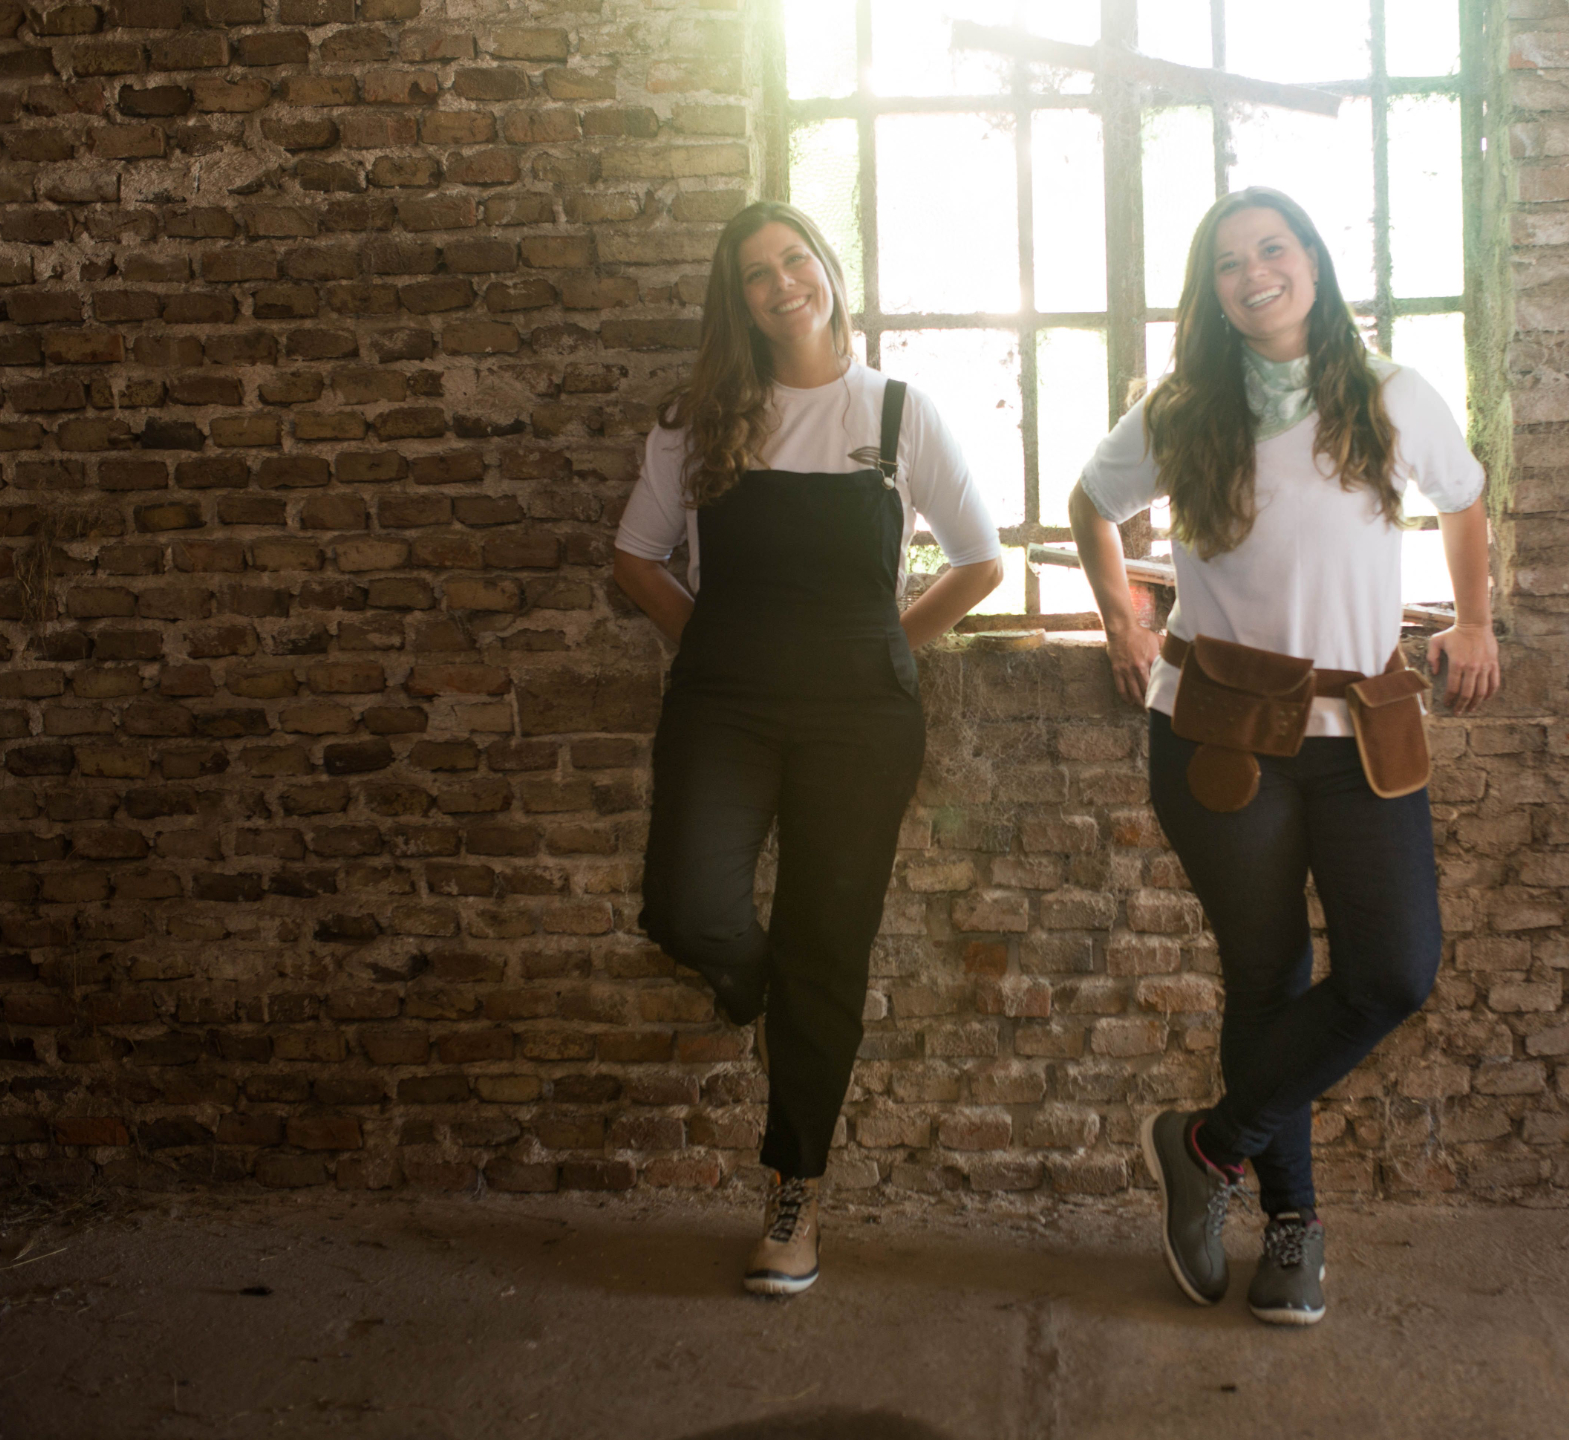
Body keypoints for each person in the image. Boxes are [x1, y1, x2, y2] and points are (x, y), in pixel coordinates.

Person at [1068, 188, 1500, 1326]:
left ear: (1311, 258)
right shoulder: (1183, 411)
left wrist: (1475, 622)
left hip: (1360, 731)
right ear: (1211, 293)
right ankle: (1292, 1225)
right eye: (1229, 263)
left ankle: (1205, 1147)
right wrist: (1121, 621)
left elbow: (1464, 500)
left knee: (1393, 971)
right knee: (1267, 979)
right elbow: (1092, 500)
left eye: (1272, 248)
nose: (1254, 272)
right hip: (1219, 733)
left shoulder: (1389, 394)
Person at [612, 201, 1002, 1296]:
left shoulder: (896, 412)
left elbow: (979, 563)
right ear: (735, 301)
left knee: (829, 949)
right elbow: (636, 557)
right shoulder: (698, 419)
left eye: (795, 260)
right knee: (686, 905)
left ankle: (795, 1192)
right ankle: (759, 986)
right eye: (756, 273)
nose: (782, 283)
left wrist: (888, 646)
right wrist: (709, 641)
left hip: (859, 715)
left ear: (828, 269)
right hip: (725, 704)